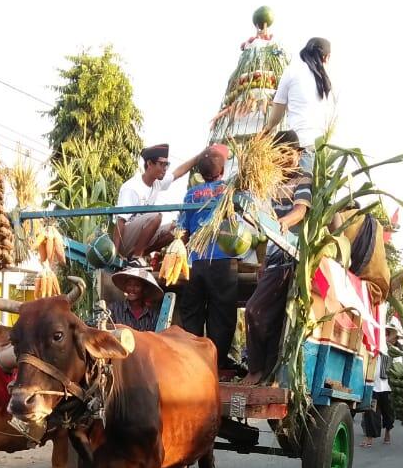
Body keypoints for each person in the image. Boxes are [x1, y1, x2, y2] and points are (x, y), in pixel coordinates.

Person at [242, 131, 313, 384]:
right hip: (272, 257)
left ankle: (256, 370)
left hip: (288, 257)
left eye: (289, 153)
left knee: (254, 310)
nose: (285, 158)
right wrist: (263, 261)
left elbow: (300, 210)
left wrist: (284, 223)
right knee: (270, 319)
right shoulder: (271, 183)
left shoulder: (302, 178)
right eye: (279, 153)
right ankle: (267, 373)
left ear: (298, 154)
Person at [177, 146, 247, 369]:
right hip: (223, 262)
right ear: (223, 170)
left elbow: (182, 231)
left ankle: (192, 364)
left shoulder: (191, 194)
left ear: (200, 172)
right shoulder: (230, 191)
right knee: (222, 315)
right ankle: (214, 366)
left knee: (192, 314)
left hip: (195, 263)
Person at [115, 144, 202, 261]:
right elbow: (120, 222)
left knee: (178, 229)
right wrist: (114, 254)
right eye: (162, 164)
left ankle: (138, 255)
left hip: (139, 237)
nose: (165, 168)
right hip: (125, 239)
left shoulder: (156, 182)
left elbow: (178, 173)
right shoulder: (132, 188)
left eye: (167, 164)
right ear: (149, 164)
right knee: (156, 216)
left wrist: (198, 158)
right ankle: (137, 257)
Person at [264, 37, 335, 173]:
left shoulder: (292, 71)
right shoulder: (328, 80)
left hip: (300, 149)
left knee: (298, 192)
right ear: (327, 57)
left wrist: (267, 130)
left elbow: (276, 115)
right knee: (321, 194)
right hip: (325, 151)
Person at [361, 325, 398, 447]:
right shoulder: (372, 347)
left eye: (386, 335)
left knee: (388, 413)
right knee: (371, 411)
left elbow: (398, 366)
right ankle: (369, 438)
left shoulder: (392, 350)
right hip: (373, 385)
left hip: (387, 387)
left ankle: (388, 432)